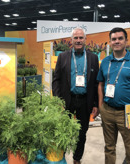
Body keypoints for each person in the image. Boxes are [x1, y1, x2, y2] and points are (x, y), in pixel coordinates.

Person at [97, 27, 130, 164]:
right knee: (109, 148)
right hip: (108, 110)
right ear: (110, 42)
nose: (117, 41)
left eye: (120, 38)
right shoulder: (105, 62)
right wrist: (101, 106)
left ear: (126, 41)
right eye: (114, 39)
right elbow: (100, 84)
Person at [52, 27, 99, 164]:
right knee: (63, 131)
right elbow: (56, 80)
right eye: (76, 38)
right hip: (67, 101)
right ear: (71, 40)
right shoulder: (63, 57)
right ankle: (60, 157)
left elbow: (96, 84)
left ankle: (77, 158)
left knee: (82, 133)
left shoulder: (93, 58)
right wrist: (57, 100)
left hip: (85, 102)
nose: (78, 40)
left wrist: (95, 104)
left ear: (85, 39)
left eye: (81, 38)